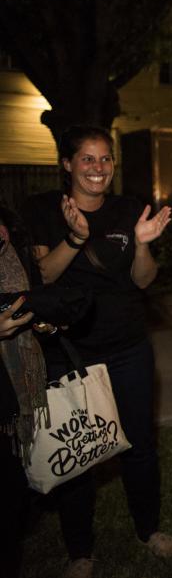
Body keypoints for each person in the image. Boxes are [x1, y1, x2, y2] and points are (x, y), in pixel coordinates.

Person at [24, 126, 172, 577]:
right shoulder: (43, 210)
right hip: (70, 349)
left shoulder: (129, 209)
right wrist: (74, 238)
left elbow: (143, 280)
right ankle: (80, 552)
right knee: (78, 453)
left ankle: (148, 529)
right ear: (68, 164)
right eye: (87, 159)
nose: (98, 168)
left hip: (128, 344)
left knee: (140, 442)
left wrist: (144, 244)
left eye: (105, 159)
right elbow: (43, 278)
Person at [0, 201, 45, 578]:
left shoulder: (10, 251)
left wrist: (40, 320)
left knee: (13, 497)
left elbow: (24, 295)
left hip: (8, 393)